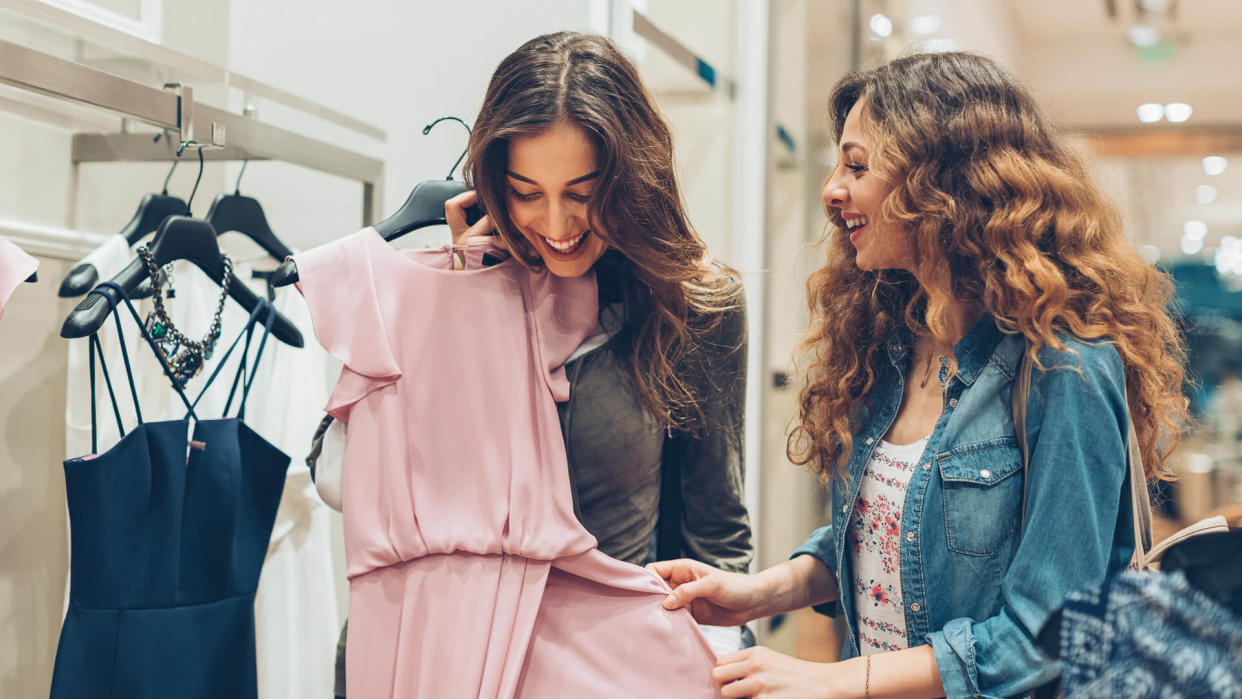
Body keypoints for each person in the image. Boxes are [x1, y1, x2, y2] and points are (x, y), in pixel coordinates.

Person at [650, 51, 1188, 698]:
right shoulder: (892, 339)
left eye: (857, 164)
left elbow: (1045, 637)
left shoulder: (1064, 367)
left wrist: (834, 678)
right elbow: (892, 528)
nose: (831, 188)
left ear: (944, 183)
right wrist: (758, 592)